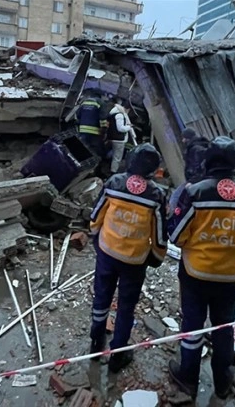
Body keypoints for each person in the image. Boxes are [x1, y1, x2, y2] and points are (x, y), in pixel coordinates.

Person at [167, 136, 235, 404]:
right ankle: (223, 384)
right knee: (223, 330)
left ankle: (187, 377)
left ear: (207, 162)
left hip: (195, 276)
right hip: (230, 279)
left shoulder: (194, 193)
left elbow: (177, 237)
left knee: (192, 326)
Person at [88, 143, 167, 373]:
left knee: (101, 298)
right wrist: (157, 256)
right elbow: (160, 233)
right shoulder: (157, 194)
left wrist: (96, 237)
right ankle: (117, 355)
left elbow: (96, 216)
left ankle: (96, 342)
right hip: (134, 261)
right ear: (153, 169)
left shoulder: (113, 183)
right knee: (126, 307)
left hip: (107, 252)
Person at [168, 128, 211, 215]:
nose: (183, 140)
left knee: (175, 198)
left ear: (188, 138)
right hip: (198, 180)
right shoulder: (197, 146)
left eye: (184, 138)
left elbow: (200, 167)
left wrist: (192, 182)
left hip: (196, 181)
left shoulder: (196, 149)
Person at [76, 91, 108, 159]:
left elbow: (78, 115)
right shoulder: (100, 102)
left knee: (82, 149)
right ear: (100, 96)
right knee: (95, 151)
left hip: (82, 131)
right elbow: (103, 118)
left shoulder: (84, 102)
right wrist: (104, 130)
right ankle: (94, 165)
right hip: (94, 132)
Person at [106, 99, 134, 174]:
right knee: (117, 158)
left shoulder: (113, 113)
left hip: (112, 138)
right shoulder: (120, 115)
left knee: (112, 153)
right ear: (127, 109)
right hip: (119, 139)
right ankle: (113, 172)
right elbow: (120, 128)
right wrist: (129, 127)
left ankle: (108, 167)